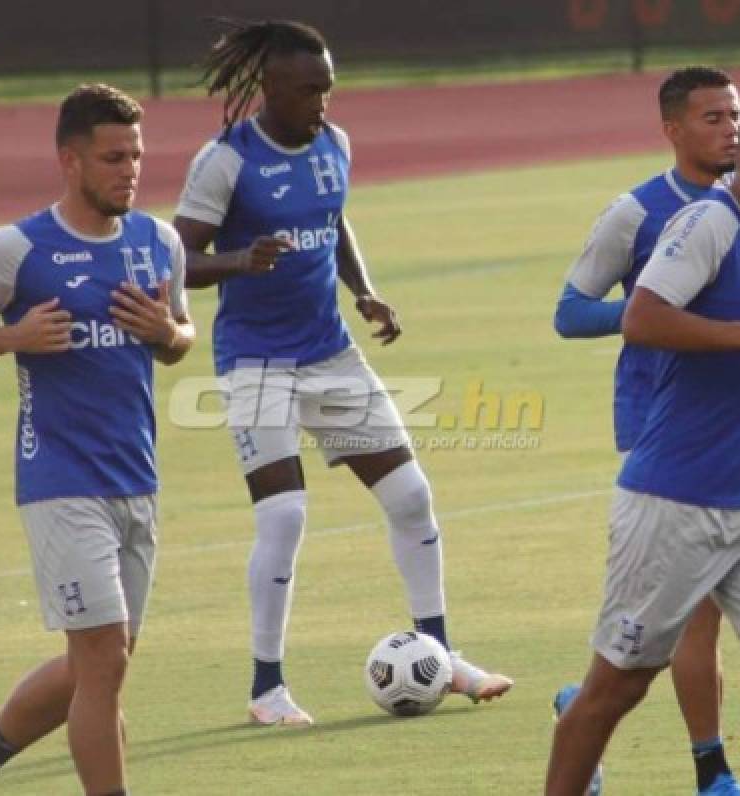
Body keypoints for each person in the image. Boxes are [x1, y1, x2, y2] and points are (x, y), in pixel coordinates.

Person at [172, 18, 511, 726]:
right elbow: (175, 260)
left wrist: (363, 289)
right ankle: (267, 688)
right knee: (286, 514)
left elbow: (334, 219)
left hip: (329, 354)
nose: (321, 104)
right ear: (268, 88)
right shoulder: (225, 161)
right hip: (256, 363)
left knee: (412, 497)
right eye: (307, 91)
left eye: (328, 89)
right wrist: (239, 261)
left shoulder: (335, 145)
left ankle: (441, 660)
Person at [545, 86, 740, 795]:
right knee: (616, 690)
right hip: (674, 502)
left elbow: (737, 333)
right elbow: (643, 317)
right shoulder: (708, 221)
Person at [0, 83, 194, 796]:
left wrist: (166, 333)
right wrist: (14, 337)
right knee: (104, 661)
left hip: (138, 478)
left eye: (135, 155)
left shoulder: (157, 241)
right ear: (69, 161)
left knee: (98, 665)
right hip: (60, 483)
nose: (129, 169)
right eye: (112, 157)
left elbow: (180, 338)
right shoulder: (15, 249)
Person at [552, 66, 740, 795]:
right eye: (712, 118)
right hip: (658, 428)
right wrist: (649, 311)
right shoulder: (636, 213)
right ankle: (714, 774)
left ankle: (582, 709)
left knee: (667, 619)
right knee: (698, 613)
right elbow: (571, 311)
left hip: (732, 428)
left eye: (735, 114)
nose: (730, 128)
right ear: (672, 129)